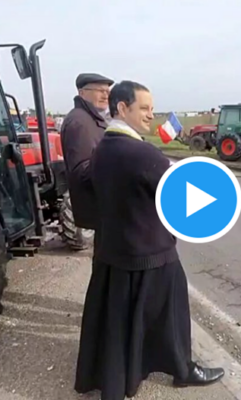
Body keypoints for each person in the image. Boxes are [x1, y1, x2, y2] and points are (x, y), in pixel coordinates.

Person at [74, 80, 225, 400]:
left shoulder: (104, 147)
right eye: (143, 108)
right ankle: (184, 370)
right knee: (173, 317)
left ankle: (122, 378)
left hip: (116, 251)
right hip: (152, 253)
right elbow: (183, 198)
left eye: (152, 109)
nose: (150, 115)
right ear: (122, 108)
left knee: (121, 324)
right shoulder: (141, 152)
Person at [60, 73, 114, 238]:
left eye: (107, 90)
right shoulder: (80, 123)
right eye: (99, 90)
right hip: (99, 205)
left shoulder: (91, 119)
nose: (105, 95)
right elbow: (82, 170)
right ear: (82, 93)